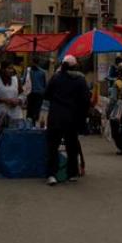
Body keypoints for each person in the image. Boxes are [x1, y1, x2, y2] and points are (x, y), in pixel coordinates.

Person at [43, 55, 91, 185]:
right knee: (72, 146)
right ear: (75, 66)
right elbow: (86, 100)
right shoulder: (80, 80)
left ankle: (52, 174)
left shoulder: (56, 78)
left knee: (53, 146)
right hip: (72, 118)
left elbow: (46, 94)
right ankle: (72, 173)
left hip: (56, 117)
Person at [0, 61, 24, 140]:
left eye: (11, 68)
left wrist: (18, 100)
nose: (11, 70)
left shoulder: (16, 80)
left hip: (15, 114)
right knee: (0, 138)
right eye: (8, 68)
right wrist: (2, 99)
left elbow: (22, 95)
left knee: (14, 137)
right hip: (0, 114)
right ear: (3, 69)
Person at [24, 57, 48, 124]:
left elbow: (24, 81)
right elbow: (45, 84)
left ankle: (31, 123)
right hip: (35, 93)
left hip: (35, 93)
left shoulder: (29, 70)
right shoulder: (42, 72)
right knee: (34, 110)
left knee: (31, 110)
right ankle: (32, 123)